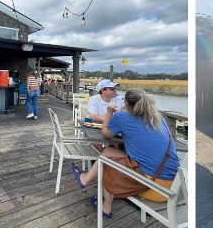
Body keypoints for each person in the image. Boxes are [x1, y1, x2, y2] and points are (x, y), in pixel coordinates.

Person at [71, 89, 180, 219]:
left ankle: (106, 206)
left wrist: (109, 112)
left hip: (155, 189)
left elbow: (105, 133)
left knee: (108, 162)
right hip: (176, 187)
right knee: (108, 152)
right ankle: (86, 179)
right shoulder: (159, 119)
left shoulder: (121, 117)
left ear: (126, 103)